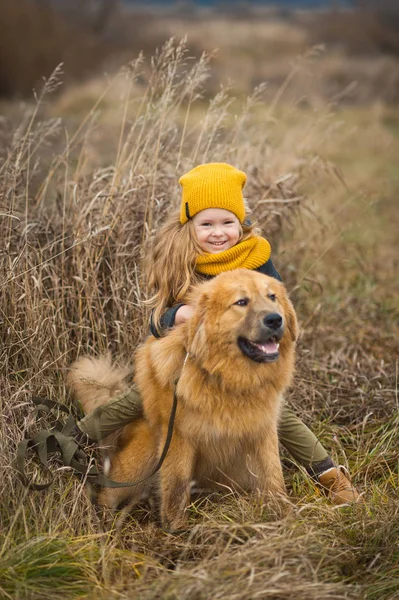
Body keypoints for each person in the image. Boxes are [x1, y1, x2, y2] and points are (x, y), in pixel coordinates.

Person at [73, 162, 360, 505]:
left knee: (278, 413)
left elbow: (277, 305)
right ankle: (69, 439)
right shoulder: (179, 256)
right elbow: (156, 319)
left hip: (244, 357)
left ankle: (330, 476)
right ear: (189, 225)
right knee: (135, 399)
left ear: (241, 223)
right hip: (185, 358)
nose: (218, 233)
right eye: (206, 224)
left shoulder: (257, 257)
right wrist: (179, 313)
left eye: (228, 222)